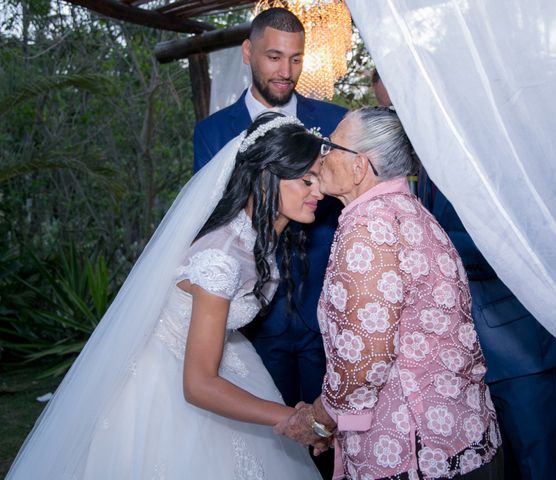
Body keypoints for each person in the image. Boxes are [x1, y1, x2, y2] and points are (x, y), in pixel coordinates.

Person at [7, 112, 326, 479]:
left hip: (224, 359)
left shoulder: (258, 238)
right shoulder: (221, 259)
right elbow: (198, 386)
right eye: (306, 180)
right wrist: (290, 417)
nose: (318, 192)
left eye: (318, 178)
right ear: (266, 177)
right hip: (168, 386)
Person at [373, 67, 556, 479]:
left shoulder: (487, 150)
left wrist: (419, 241)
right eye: (387, 112)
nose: (395, 122)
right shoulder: (422, 164)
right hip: (469, 356)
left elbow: (510, 245)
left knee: (544, 467)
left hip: (519, 347)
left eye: (398, 109)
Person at [276, 107, 503, 479]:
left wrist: (320, 420)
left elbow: (364, 361)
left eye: (331, 146)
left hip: (414, 448)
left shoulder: (368, 228)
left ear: (359, 167)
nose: (322, 154)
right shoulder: (411, 212)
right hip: (459, 435)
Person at [193, 7, 346, 417]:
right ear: (248, 52)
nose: (286, 70)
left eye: (296, 58)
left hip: (326, 312)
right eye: (274, 57)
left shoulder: (334, 121)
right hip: (254, 318)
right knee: (273, 432)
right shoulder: (213, 133)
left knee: (332, 438)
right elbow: (212, 218)